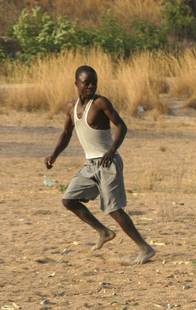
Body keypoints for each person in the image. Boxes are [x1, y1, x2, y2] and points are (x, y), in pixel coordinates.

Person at [45, 65, 155, 264]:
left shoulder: (100, 103)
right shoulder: (71, 107)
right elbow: (66, 134)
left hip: (108, 164)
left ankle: (145, 248)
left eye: (94, 82)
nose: (91, 86)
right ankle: (103, 231)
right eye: (86, 83)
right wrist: (53, 156)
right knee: (69, 200)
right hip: (90, 165)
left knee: (113, 209)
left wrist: (111, 151)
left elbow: (122, 126)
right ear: (76, 84)